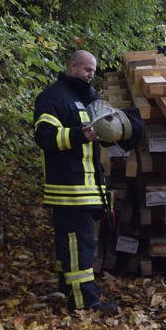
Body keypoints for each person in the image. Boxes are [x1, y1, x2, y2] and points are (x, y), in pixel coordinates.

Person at [33, 50, 142, 313]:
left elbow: (102, 130)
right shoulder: (53, 97)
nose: (91, 74)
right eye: (86, 69)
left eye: (93, 70)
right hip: (68, 188)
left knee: (71, 244)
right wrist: (78, 135)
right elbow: (44, 137)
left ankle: (69, 286)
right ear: (72, 66)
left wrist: (115, 130)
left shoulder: (88, 98)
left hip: (87, 187)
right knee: (78, 244)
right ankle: (85, 301)